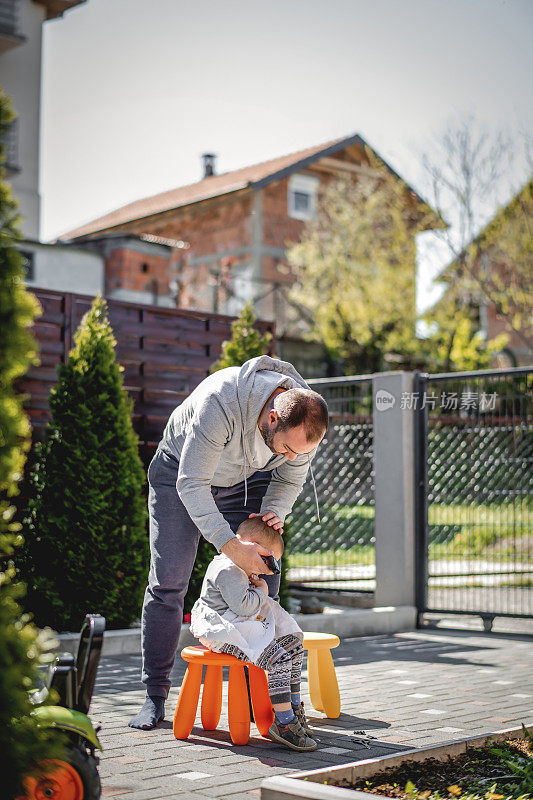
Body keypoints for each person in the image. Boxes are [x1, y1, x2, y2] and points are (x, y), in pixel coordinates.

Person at [129, 355, 328, 730]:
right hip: (181, 474)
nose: (290, 457)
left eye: (298, 453)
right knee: (169, 582)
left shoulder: (305, 423)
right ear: (272, 417)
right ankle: (154, 696)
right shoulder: (221, 402)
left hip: (245, 480)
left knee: (266, 570)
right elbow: (192, 485)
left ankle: (265, 692)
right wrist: (230, 545)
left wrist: (273, 514)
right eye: (285, 448)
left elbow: (288, 481)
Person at [190, 516, 317, 751]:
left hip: (239, 625)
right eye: (269, 563)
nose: (271, 572)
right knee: (279, 660)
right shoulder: (228, 569)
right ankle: (284, 723)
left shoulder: (240, 567)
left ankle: (293, 707)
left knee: (293, 647)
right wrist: (262, 591)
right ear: (248, 546)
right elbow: (244, 607)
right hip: (221, 631)